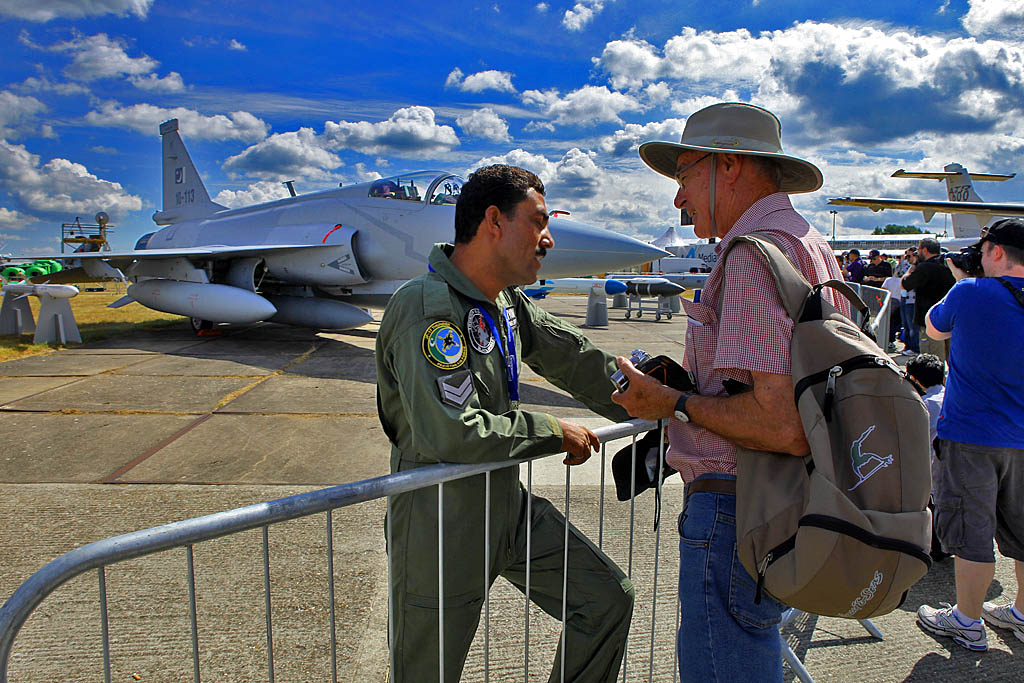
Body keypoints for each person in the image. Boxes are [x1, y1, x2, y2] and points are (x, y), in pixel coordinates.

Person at [613, 102, 848, 681]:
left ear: (729, 167)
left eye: (685, 175)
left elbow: (781, 425)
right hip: (784, 501)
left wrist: (669, 403)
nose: (678, 197)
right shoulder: (806, 240)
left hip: (734, 507)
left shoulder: (752, 255)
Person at [375, 164, 634, 682]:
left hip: (506, 509)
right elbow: (452, 430)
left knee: (606, 600)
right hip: (442, 523)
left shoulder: (505, 302)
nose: (548, 238)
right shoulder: (428, 309)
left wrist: (661, 402)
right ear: (494, 220)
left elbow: (574, 358)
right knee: (428, 673)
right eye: (538, 221)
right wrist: (550, 430)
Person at [916, 218, 1024, 651]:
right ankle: (1019, 614)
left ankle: (966, 620)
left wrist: (962, 282)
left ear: (996, 251)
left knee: (971, 534)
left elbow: (933, 328)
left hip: (972, 435)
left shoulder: (970, 292)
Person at [905, 352, 948, 561]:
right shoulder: (950, 398)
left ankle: (935, 546)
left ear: (915, 379)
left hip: (929, 475)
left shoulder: (923, 405)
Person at [902, 237, 955, 361]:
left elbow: (905, 284)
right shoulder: (948, 265)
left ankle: (935, 381)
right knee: (951, 359)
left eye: (919, 249)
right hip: (949, 318)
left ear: (925, 250)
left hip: (929, 320)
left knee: (932, 359)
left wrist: (913, 266)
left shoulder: (924, 268)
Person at [898, 248, 920, 355]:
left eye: (909, 256)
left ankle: (914, 348)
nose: (907, 259)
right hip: (904, 298)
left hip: (913, 300)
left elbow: (907, 279)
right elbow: (900, 276)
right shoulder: (909, 267)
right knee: (906, 325)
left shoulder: (918, 268)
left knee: (912, 327)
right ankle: (907, 346)